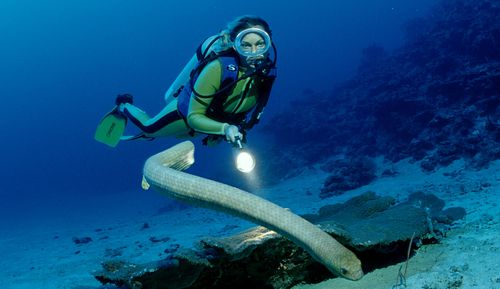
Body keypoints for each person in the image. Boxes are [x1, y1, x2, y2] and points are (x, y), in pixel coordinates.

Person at [95, 15, 277, 148]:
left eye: (260, 44)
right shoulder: (218, 68)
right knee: (149, 129)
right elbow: (193, 117)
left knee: (182, 136)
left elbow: (251, 106)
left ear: (269, 42)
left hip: (214, 122)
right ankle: (124, 106)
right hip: (186, 112)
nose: (254, 52)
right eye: (245, 45)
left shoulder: (266, 73)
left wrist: (231, 128)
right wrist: (224, 129)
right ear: (236, 45)